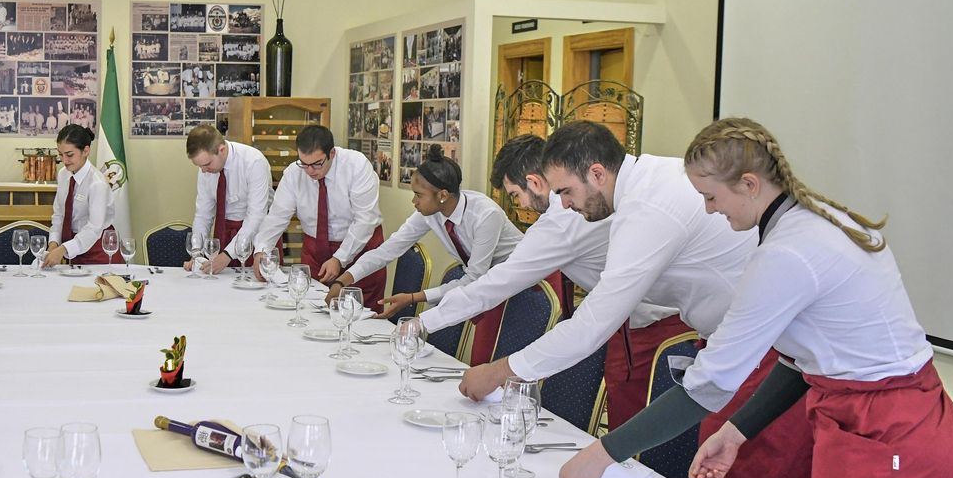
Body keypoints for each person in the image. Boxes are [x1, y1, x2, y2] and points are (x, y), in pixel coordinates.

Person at [557, 118, 953, 478]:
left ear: (749, 184)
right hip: (877, 422)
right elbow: (804, 359)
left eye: (712, 197)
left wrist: (603, 452)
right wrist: (739, 430)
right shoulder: (810, 220)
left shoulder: (788, 252)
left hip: (891, 436)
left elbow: (706, 387)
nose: (708, 211)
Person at [459, 121, 812, 478]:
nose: (563, 205)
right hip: (746, 350)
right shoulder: (646, 186)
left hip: (765, 357)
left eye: (566, 191)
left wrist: (503, 373)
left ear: (596, 173)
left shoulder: (648, 208)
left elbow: (593, 324)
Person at [410, 135, 687, 423]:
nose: (520, 204)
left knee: (643, 420)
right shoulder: (590, 203)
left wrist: (425, 323)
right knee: (628, 411)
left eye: (515, 195)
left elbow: (496, 284)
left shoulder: (563, 221)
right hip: (629, 319)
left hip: (653, 325)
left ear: (534, 182)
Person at [329, 144, 520, 362]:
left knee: (495, 358)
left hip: (522, 286)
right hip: (486, 284)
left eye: (418, 195)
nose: (414, 201)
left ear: (443, 195)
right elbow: (388, 249)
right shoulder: (432, 213)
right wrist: (343, 280)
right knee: (483, 358)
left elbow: (474, 279)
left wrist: (414, 298)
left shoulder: (485, 215)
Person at [252, 125, 386, 310]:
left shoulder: (356, 166)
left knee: (359, 313)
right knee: (310, 307)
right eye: (304, 163)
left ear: (332, 154)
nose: (310, 171)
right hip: (315, 250)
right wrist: (262, 249)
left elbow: (365, 220)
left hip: (360, 249)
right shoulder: (294, 173)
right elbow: (277, 216)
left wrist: (339, 258)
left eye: (317, 164)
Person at [185, 124, 271, 274]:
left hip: (256, 235)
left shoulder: (254, 162)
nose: (203, 171)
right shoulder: (205, 169)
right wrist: (197, 253)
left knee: (254, 282)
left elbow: (256, 216)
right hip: (224, 232)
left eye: (207, 164)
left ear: (222, 150)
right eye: (199, 166)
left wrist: (228, 254)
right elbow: (203, 214)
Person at [43, 124, 123, 267]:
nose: (64, 161)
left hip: (99, 251)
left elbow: (94, 228)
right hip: (74, 249)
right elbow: (59, 215)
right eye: (60, 154)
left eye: (69, 155)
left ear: (86, 151)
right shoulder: (63, 175)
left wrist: (63, 249)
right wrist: (53, 243)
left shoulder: (97, 183)